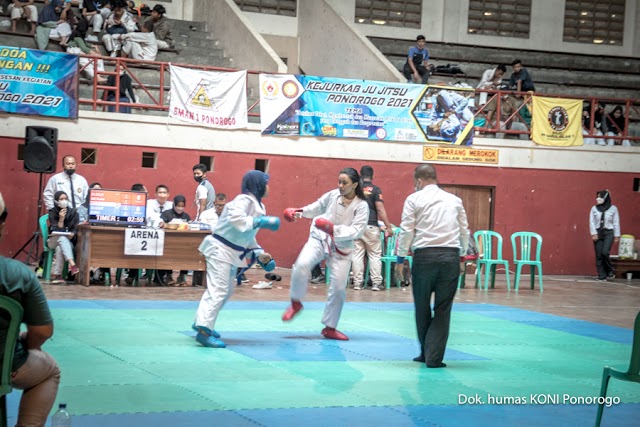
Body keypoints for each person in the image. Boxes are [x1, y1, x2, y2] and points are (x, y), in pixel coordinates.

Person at [193, 170, 280, 348]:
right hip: (220, 249)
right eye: (266, 182)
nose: (269, 187)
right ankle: (203, 330)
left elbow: (248, 236)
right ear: (258, 185)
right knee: (219, 290)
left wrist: (260, 254)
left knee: (227, 289)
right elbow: (237, 220)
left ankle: (201, 322)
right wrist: (260, 222)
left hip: (230, 251)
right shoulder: (244, 200)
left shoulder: (258, 206)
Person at [395, 164, 470, 368]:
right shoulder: (455, 200)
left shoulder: (413, 199)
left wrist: (400, 260)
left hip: (424, 257)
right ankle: (434, 357)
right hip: (450, 257)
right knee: (443, 309)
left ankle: (425, 352)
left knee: (422, 306)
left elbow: (406, 231)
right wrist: (462, 258)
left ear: (418, 181)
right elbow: (464, 231)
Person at [282, 168, 369, 341]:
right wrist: (298, 212)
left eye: (345, 183)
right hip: (319, 239)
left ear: (355, 184)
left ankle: (330, 327)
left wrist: (333, 229)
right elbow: (316, 207)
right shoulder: (332, 195)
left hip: (342, 247)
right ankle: (296, 302)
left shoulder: (362, 205)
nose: (341, 186)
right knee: (301, 265)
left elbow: (358, 230)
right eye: (339, 182)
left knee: (338, 288)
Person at [0, 192, 61, 427]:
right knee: (50, 371)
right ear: (3, 225)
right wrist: (27, 342)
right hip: (7, 367)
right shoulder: (18, 275)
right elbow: (43, 332)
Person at [352, 165, 393, 291]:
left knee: (357, 255)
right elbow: (380, 208)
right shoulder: (375, 190)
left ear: (360, 175)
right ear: (372, 176)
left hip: (356, 226)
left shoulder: (355, 189)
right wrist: (388, 226)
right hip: (371, 226)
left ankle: (357, 283)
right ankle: (376, 283)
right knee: (375, 255)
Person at [47, 191, 80, 284]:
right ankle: (72, 265)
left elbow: (75, 228)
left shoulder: (73, 212)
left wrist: (72, 234)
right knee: (61, 237)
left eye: (65, 199)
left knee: (60, 247)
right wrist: (61, 219)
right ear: (56, 201)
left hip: (67, 243)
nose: (64, 201)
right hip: (52, 241)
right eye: (61, 199)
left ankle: (58, 276)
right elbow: (54, 229)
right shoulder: (52, 212)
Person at [589, 190, 621, 281]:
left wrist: (617, 235)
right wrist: (593, 233)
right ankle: (601, 275)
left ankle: (610, 270)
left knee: (605, 252)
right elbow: (591, 222)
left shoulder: (613, 208)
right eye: (597, 196)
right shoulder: (594, 208)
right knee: (599, 255)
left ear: (606, 197)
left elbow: (616, 222)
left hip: (609, 233)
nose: (598, 198)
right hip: (598, 233)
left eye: (600, 197)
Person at [161, 195, 191, 286]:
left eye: (182, 206)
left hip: (183, 243)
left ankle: (181, 276)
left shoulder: (186, 216)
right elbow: (162, 225)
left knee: (187, 253)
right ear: (174, 204)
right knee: (166, 252)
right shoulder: (166, 214)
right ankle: (168, 275)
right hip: (168, 243)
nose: (180, 208)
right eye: (178, 205)